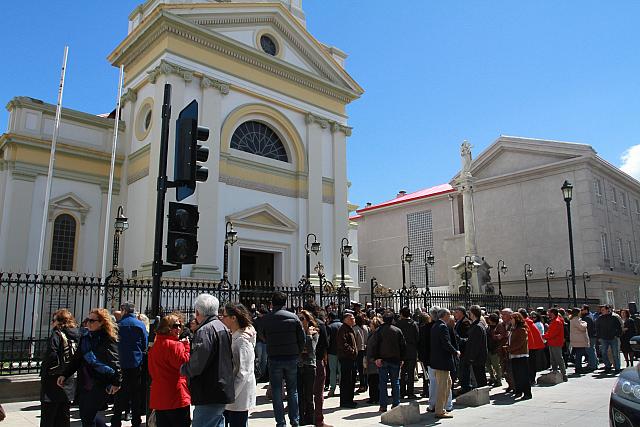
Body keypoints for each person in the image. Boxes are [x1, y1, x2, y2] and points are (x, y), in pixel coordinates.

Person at [57, 308, 121, 427]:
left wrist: (116, 382)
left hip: (100, 383)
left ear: (102, 322)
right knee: (87, 415)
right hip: (84, 382)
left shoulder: (107, 339)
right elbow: (77, 359)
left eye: (92, 321)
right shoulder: (85, 337)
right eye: (87, 320)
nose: (88, 323)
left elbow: (115, 362)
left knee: (87, 416)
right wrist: (65, 374)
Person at [180, 294, 235, 427]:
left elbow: (198, 363)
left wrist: (184, 369)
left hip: (209, 389)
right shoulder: (222, 327)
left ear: (198, 312)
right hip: (221, 386)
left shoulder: (205, 330)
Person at [262, 292, 305, 427]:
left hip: (274, 357)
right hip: (291, 357)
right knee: (293, 390)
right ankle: (295, 420)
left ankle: (280, 422)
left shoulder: (266, 318)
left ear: (272, 303)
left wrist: (271, 343)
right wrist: (297, 351)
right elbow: (302, 338)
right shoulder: (294, 318)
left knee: (276, 391)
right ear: (285, 303)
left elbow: (262, 336)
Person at [148, 313, 191, 427]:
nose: (178, 329)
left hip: (159, 396)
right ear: (167, 328)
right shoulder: (175, 345)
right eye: (175, 326)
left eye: (180, 326)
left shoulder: (156, 345)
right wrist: (186, 346)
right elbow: (184, 364)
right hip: (175, 395)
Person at [40, 309, 80, 427]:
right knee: (63, 414)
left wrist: (46, 369)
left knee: (49, 415)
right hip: (68, 375)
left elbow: (52, 353)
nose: (52, 323)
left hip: (54, 377)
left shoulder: (57, 333)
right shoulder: (76, 334)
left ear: (59, 321)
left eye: (54, 320)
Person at [111, 302, 148, 427]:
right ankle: (136, 420)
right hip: (136, 363)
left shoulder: (118, 325)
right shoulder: (140, 324)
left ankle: (116, 420)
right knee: (135, 394)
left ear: (123, 310)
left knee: (119, 394)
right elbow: (144, 343)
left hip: (120, 363)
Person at [221, 302, 257, 427]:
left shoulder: (242, 340)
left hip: (239, 393)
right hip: (233, 391)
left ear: (233, 318)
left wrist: (232, 394)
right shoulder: (235, 335)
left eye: (224, 315)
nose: (222, 318)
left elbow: (244, 371)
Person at [303, 302, 332, 427]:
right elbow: (326, 343)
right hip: (318, 360)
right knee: (318, 393)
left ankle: (307, 416)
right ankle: (319, 419)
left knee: (305, 391)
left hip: (303, 361)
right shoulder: (319, 324)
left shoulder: (301, 324)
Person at [373, 309, 406, 412]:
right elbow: (403, 346)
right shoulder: (397, 330)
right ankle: (396, 403)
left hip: (383, 359)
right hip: (395, 359)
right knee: (395, 382)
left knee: (382, 383)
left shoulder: (379, 330)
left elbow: (375, 345)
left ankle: (383, 405)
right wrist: (402, 359)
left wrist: (376, 358)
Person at [430, 308, 459, 419]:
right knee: (443, 386)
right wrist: (455, 352)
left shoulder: (435, 325)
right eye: (449, 314)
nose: (450, 316)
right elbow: (446, 343)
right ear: (445, 315)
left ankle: (441, 408)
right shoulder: (442, 326)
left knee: (447, 383)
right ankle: (440, 410)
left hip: (437, 361)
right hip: (442, 361)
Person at [297, 310, 319, 426]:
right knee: (299, 394)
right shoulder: (297, 332)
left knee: (309, 394)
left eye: (302, 319)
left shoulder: (314, 333)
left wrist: (309, 336)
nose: (300, 321)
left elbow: (310, 350)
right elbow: (297, 349)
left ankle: (310, 417)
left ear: (308, 320)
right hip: (299, 365)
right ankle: (301, 417)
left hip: (310, 365)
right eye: (298, 318)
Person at [396, 306, 419, 399]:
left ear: (401, 314)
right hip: (412, 351)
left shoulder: (398, 324)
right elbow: (417, 338)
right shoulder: (414, 324)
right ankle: (410, 392)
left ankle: (402, 392)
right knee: (410, 373)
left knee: (402, 373)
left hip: (401, 352)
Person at [336, 311, 358, 408]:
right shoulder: (343, 329)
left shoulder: (349, 329)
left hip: (351, 359)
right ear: (346, 320)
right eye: (352, 318)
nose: (354, 320)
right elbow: (343, 344)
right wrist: (352, 351)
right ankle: (345, 401)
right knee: (346, 380)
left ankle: (349, 399)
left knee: (351, 380)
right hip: (346, 359)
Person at [507, 313, 531, 400]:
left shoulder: (521, 329)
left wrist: (510, 349)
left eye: (512, 318)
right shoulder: (513, 329)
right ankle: (519, 391)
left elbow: (520, 343)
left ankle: (527, 393)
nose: (510, 320)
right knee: (516, 375)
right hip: (514, 355)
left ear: (516, 319)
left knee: (523, 375)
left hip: (521, 355)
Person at [463, 305, 487, 389]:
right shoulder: (478, 324)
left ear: (473, 314)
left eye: (469, 312)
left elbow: (476, 344)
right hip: (478, 356)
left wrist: (472, 357)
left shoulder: (477, 326)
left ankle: (482, 395)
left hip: (477, 357)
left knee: (480, 378)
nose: (468, 314)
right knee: (480, 377)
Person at [519, 308, 545, 384]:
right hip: (532, 346)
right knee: (531, 364)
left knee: (529, 364)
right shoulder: (529, 322)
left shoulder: (526, 322)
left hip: (529, 346)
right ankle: (532, 378)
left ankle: (531, 379)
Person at [595, 304, 623, 373]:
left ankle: (617, 368)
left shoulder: (614, 317)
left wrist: (617, 335)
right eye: (601, 310)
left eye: (603, 310)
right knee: (604, 353)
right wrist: (599, 337)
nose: (601, 311)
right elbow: (597, 328)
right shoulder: (600, 318)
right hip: (604, 338)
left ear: (608, 310)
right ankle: (607, 366)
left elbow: (619, 327)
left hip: (613, 338)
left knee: (615, 353)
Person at [543, 308, 567, 382]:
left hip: (555, 342)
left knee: (558, 359)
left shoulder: (556, 322)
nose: (548, 314)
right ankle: (556, 373)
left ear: (553, 314)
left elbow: (552, 333)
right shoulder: (555, 321)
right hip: (553, 342)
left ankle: (563, 375)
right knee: (554, 359)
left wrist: (543, 336)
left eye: (549, 313)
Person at [452, 306, 471, 393]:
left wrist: (458, 338)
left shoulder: (465, 322)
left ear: (461, 313)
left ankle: (466, 387)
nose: (454, 314)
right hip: (460, 349)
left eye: (456, 312)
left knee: (464, 369)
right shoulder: (459, 321)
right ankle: (464, 385)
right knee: (462, 369)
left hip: (464, 349)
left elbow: (467, 337)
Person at [365, 316, 382, 405]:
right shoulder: (372, 333)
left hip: (374, 360)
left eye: (371, 324)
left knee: (375, 380)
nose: (370, 325)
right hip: (371, 359)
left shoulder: (376, 334)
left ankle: (375, 397)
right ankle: (373, 397)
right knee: (372, 380)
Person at [326, 311, 342, 397]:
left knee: (332, 371)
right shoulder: (342, 325)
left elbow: (327, 340)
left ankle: (332, 389)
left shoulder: (329, 327)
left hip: (332, 351)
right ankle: (342, 388)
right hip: (341, 351)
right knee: (341, 371)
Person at [569, 308, 589, 374]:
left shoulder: (573, 319)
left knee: (579, 354)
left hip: (577, 339)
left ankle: (578, 367)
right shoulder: (575, 320)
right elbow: (582, 328)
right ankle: (578, 368)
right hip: (579, 340)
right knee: (579, 355)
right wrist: (585, 323)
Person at [485, 313, 503, 387]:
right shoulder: (488, 327)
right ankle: (492, 378)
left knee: (496, 366)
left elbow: (501, 337)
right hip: (488, 349)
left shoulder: (499, 327)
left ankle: (498, 380)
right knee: (488, 365)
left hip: (495, 349)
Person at [353, 313, 369, 394]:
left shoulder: (355, 329)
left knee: (360, 369)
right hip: (366, 350)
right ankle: (366, 384)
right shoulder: (366, 327)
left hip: (359, 350)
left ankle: (362, 385)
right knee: (365, 368)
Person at [580, 305, 598, 371]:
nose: (581, 311)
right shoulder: (590, 315)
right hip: (592, 335)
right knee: (592, 350)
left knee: (590, 350)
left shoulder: (587, 318)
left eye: (582, 310)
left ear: (586, 310)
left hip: (589, 336)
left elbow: (587, 328)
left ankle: (593, 365)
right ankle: (594, 363)